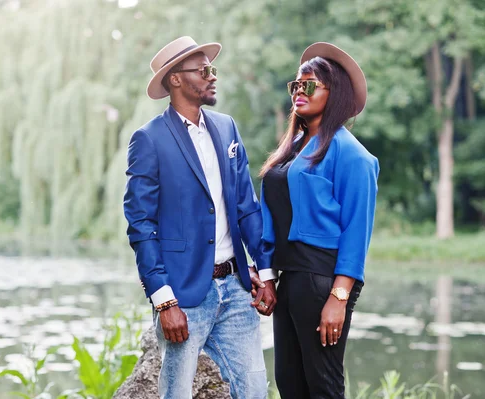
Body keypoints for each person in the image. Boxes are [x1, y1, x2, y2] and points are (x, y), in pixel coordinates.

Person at [123, 36, 277, 399]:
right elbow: (141, 225)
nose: (212, 77)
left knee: (254, 390)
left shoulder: (227, 128)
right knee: (176, 394)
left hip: (238, 290)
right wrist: (164, 300)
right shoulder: (149, 140)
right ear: (175, 79)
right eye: (203, 70)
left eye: (213, 69)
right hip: (184, 295)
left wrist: (266, 272)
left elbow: (247, 205)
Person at [259, 42, 379, 398]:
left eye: (310, 84)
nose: (300, 91)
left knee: (323, 386)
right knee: (290, 384)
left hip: (323, 280)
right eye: (296, 84)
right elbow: (270, 216)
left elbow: (357, 232)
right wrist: (266, 274)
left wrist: (339, 297)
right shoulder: (292, 147)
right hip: (290, 279)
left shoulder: (353, 155)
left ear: (334, 92)